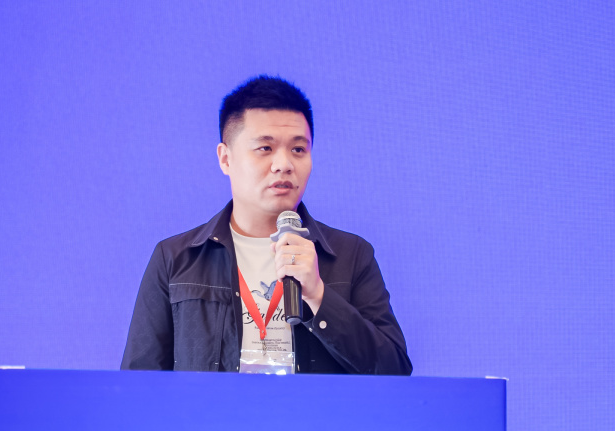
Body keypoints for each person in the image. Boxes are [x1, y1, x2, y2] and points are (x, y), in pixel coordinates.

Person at [121, 75, 412, 375]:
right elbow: (139, 382)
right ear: (225, 159)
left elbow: (395, 370)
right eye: (265, 148)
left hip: (313, 409)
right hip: (215, 410)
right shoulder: (175, 260)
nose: (284, 164)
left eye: (298, 149)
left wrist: (319, 295)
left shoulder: (351, 256)